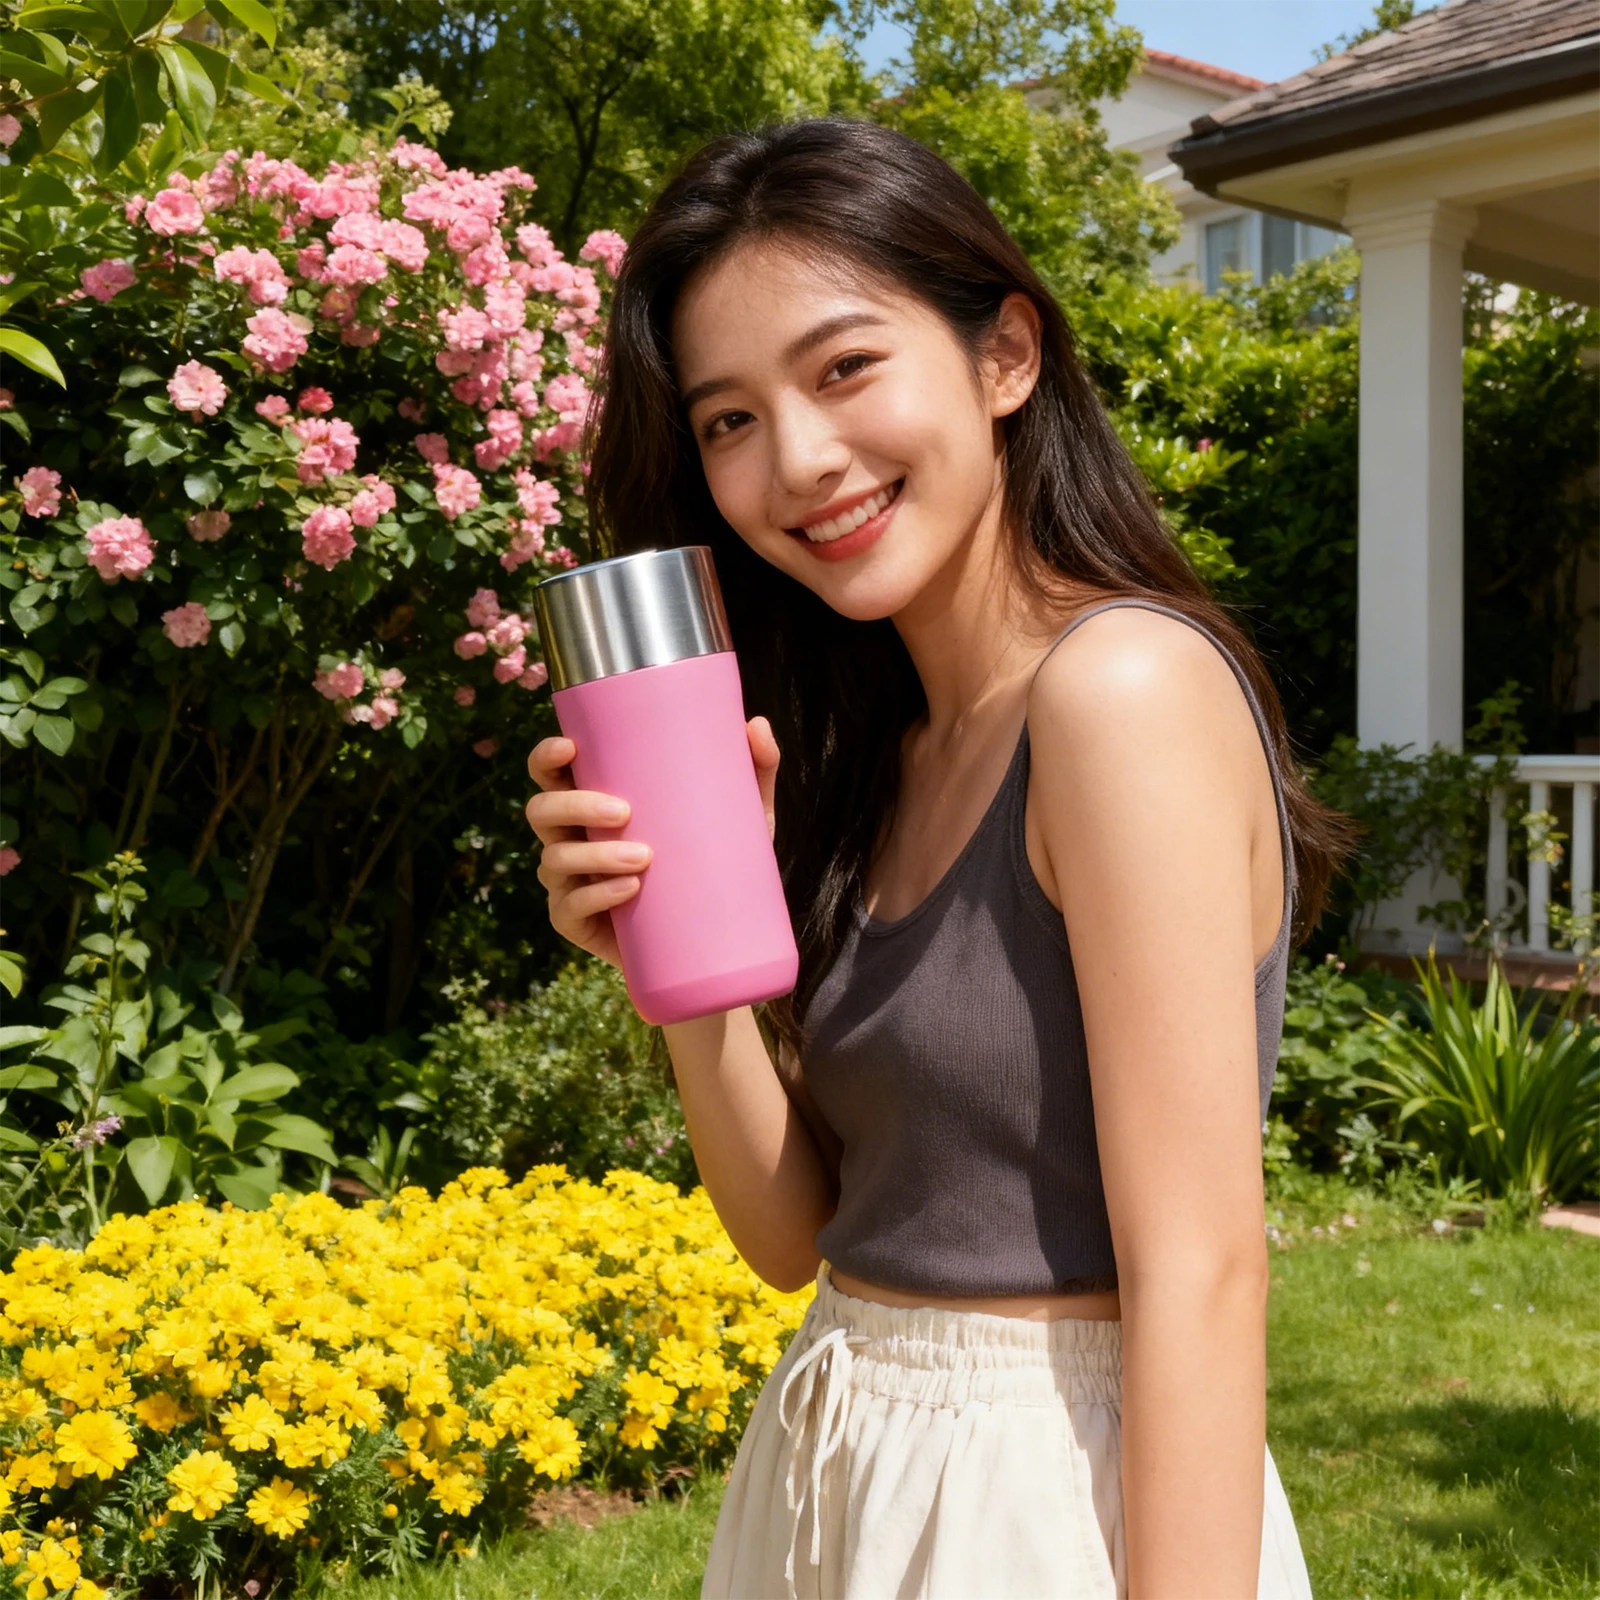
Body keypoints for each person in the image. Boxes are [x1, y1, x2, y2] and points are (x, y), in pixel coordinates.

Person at [525, 118, 1355, 1599]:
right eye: (727, 420)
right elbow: (795, 1240)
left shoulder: (1119, 695)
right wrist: (676, 966)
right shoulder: (882, 756)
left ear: (1005, 357)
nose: (798, 460)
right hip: (837, 1457)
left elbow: (1204, 1275)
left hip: (1042, 1499)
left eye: (845, 369)